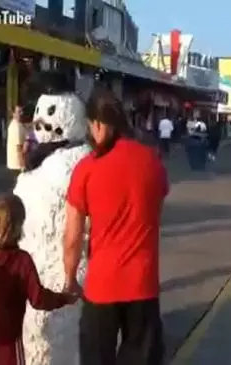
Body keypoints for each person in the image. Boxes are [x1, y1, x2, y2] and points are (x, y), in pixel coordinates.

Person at [64, 88, 167, 365]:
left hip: (101, 285)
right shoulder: (152, 161)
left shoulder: (86, 168)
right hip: (143, 283)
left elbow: (72, 235)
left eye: (90, 127)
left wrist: (70, 278)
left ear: (99, 123)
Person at [0, 194, 77, 365]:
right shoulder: (21, 261)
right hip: (9, 340)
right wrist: (64, 298)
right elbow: (38, 299)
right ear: (15, 227)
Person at [6, 105, 27, 187]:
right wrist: (22, 165)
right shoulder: (16, 127)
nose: (21, 113)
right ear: (13, 114)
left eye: (22, 111)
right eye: (19, 112)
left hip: (16, 163)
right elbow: (18, 147)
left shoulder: (18, 124)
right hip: (17, 163)